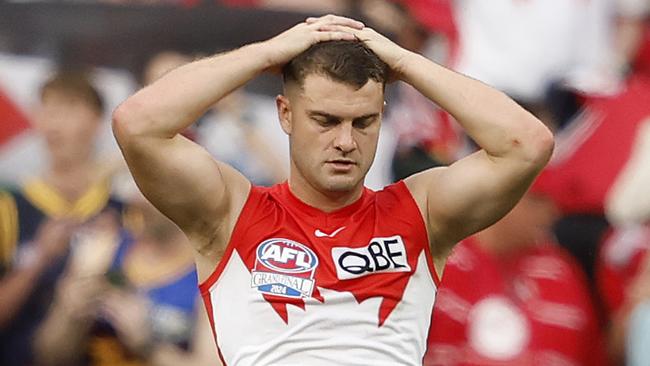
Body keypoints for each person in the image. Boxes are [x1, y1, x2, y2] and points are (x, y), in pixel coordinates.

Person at [112, 14, 554, 365]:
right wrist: (265, 54)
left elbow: (527, 144)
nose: (346, 141)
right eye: (325, 121)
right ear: (285, 114)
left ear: (382, 114)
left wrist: (403, 62)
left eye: (363, 122)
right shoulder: (228, 211)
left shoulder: (423, 211)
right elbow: (137, 124)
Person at [0, 70, 123, 366]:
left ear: (96, 122)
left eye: (68, 110)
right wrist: (38, 258)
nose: (54, 124)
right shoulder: (10, 205)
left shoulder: (122, 211)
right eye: (47, 111)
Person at [34, 188, 221, 366]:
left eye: (152, 187)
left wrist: (148, 345)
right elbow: (49, 356)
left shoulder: (211, 271)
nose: (138, 198)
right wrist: (69, 315)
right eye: (137, 185)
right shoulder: (102, 251)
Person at [426, 188, 608, 366]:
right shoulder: (438, 265)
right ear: (496, 195)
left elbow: (593, 355)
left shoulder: (561, 274)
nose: (551, 212)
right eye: (536, 199)